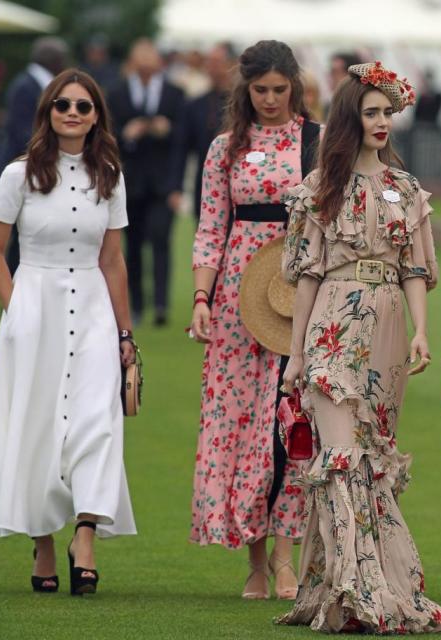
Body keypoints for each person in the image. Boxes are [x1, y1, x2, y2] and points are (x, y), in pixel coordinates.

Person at [274, 60, 441, 634]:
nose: (381, 122)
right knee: (341, 456)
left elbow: (416, 271)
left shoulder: (405, 190)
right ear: (350, 118)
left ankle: (347, 590)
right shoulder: (320, 189)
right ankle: (359, 589)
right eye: (370, 113)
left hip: (390, 329)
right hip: (332, 320)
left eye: (386, 113)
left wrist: (424, 332)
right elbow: (304, 277)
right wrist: (297, 354)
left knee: (372, 456)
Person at [0, 69, 137, 596]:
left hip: (92, 308)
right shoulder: (18, 175)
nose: (73, 112)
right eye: (62, 104)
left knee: (97, 422)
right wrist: (15, 307)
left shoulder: (110, 174)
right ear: (47, 111)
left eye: (84, 106)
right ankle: (44, 542)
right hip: (34, 306)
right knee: (39, 424)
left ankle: (84, 533)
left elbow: (114, 261)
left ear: (97, 117)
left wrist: (125, 334)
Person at [187, 40, 320, 601]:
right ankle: (257, 562)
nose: (269, 100)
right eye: (260, 90)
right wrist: (201, 296)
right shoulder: (225, 147)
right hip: (238, 299)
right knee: (241, 424)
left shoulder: (315, 143)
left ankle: (289, 557)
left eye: (279, 90)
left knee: (290, 421)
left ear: (295, 87)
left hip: (298, 290)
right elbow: (211, 226)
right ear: (245, 90)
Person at [107, 39, 186, 327]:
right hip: (129, 182)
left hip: (163, 183)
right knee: (133, 245)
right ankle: (137, 304)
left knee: (161, 239)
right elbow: (107, 136)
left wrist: (168, 129)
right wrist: (127, 134)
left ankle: (162, 304)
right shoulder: (116, 93)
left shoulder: (175, 93)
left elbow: (182, 142)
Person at [0, 36, 69, 275]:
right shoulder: (27, 87)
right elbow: (23, 134)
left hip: (35, 171)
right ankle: (14, 297)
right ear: (55, 60)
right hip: (25, 173)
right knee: (20, 241)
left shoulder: (33, 84)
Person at [174, 42, 236, 220]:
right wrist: (176, 187)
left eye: (218, 62)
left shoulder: (245, 103)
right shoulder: (195, 105)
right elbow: (182, 147)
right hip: (205, 184)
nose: (213, 68)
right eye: (210, 63)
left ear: (231, 64)